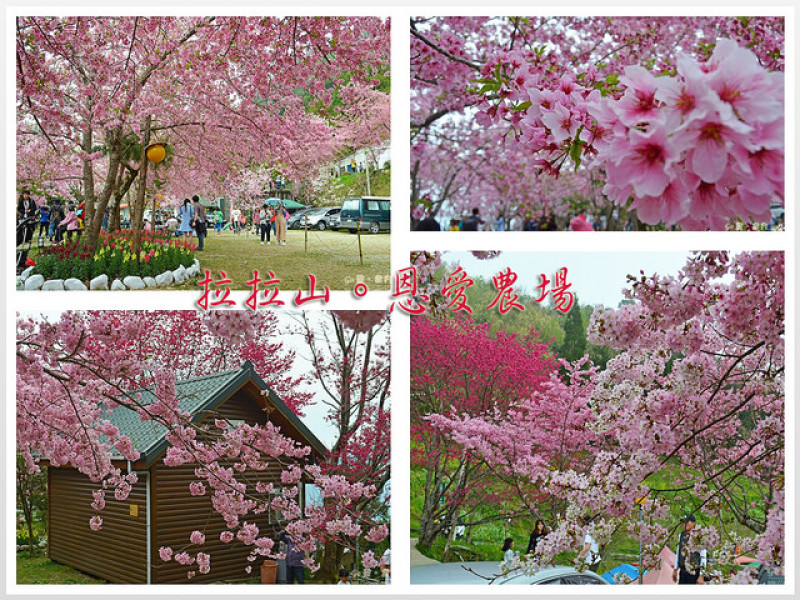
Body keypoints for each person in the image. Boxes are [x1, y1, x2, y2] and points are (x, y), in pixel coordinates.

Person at [673, 514, 706, 584]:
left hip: (694, 573)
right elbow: (678, 552)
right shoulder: (681, 535)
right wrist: (675, 569)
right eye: (684, 522)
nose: (685, 524)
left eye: (687, 522)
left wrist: (701, 575)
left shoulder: (699, 536)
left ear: (693, 523)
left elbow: (703, 556)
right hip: (683, 572)